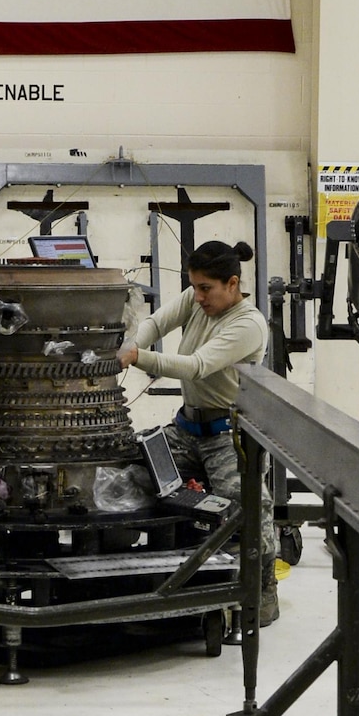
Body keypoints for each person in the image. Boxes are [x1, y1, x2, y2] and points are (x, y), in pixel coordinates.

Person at [118, 238, 280, 626]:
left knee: (248, 509)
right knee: (130, 473)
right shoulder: (197, 299)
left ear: (233, 283)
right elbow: (157, 323)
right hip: (185, 429)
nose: (198, 297)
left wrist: (136, 357)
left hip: (228, 437)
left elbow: (197, 365)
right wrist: (128, 344)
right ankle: (158, 572)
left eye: (206, 288)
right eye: (194, 287)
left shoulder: (248, 324)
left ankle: (263, 591)